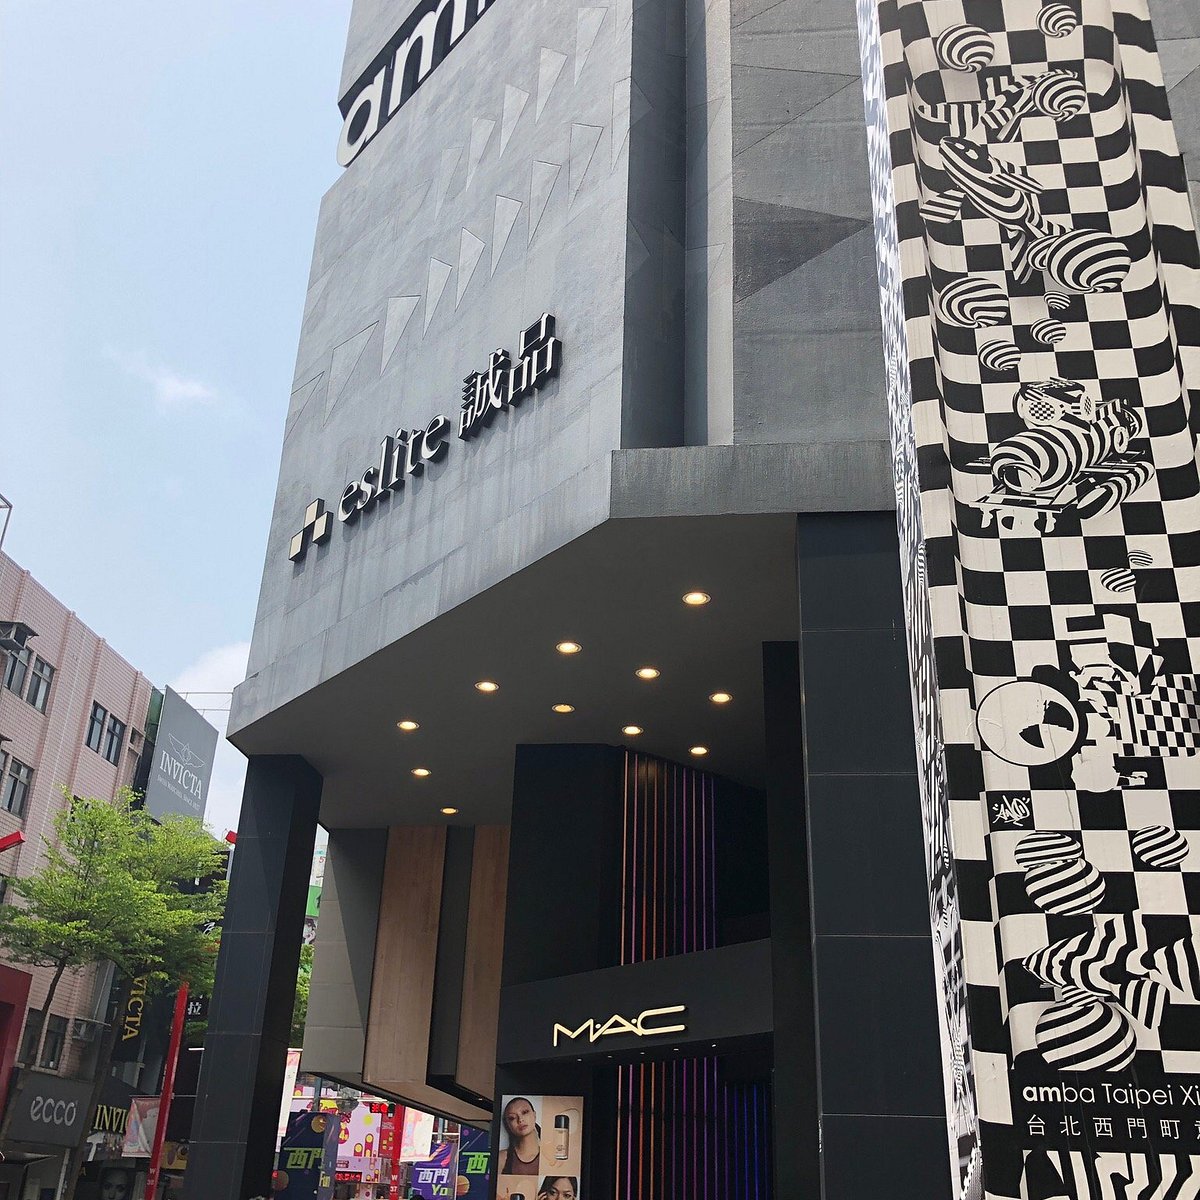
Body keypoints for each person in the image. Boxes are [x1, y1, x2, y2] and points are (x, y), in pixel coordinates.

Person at [500, 1096, 540, 1175]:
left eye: (525, 1112)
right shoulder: (501, 1158)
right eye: (512, 1118)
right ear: (508, 1124)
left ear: (534, 1115)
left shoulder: (550, 1156)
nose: (520, 1120)